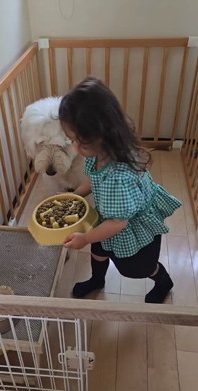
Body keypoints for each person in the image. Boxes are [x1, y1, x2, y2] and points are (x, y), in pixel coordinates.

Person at [58, 76, 182, 304]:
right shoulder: (98, 153)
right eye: (71, 139)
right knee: (99, 250)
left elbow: (118, 223)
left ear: (101, 134)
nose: (74, 146)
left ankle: (162, 280)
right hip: (110, 217)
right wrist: (74, 196)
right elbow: (93, 181)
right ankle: (97, 279)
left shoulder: (119, 177)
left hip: (131, 226)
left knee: (137, 267)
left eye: (77, 140)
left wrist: (85, 237)